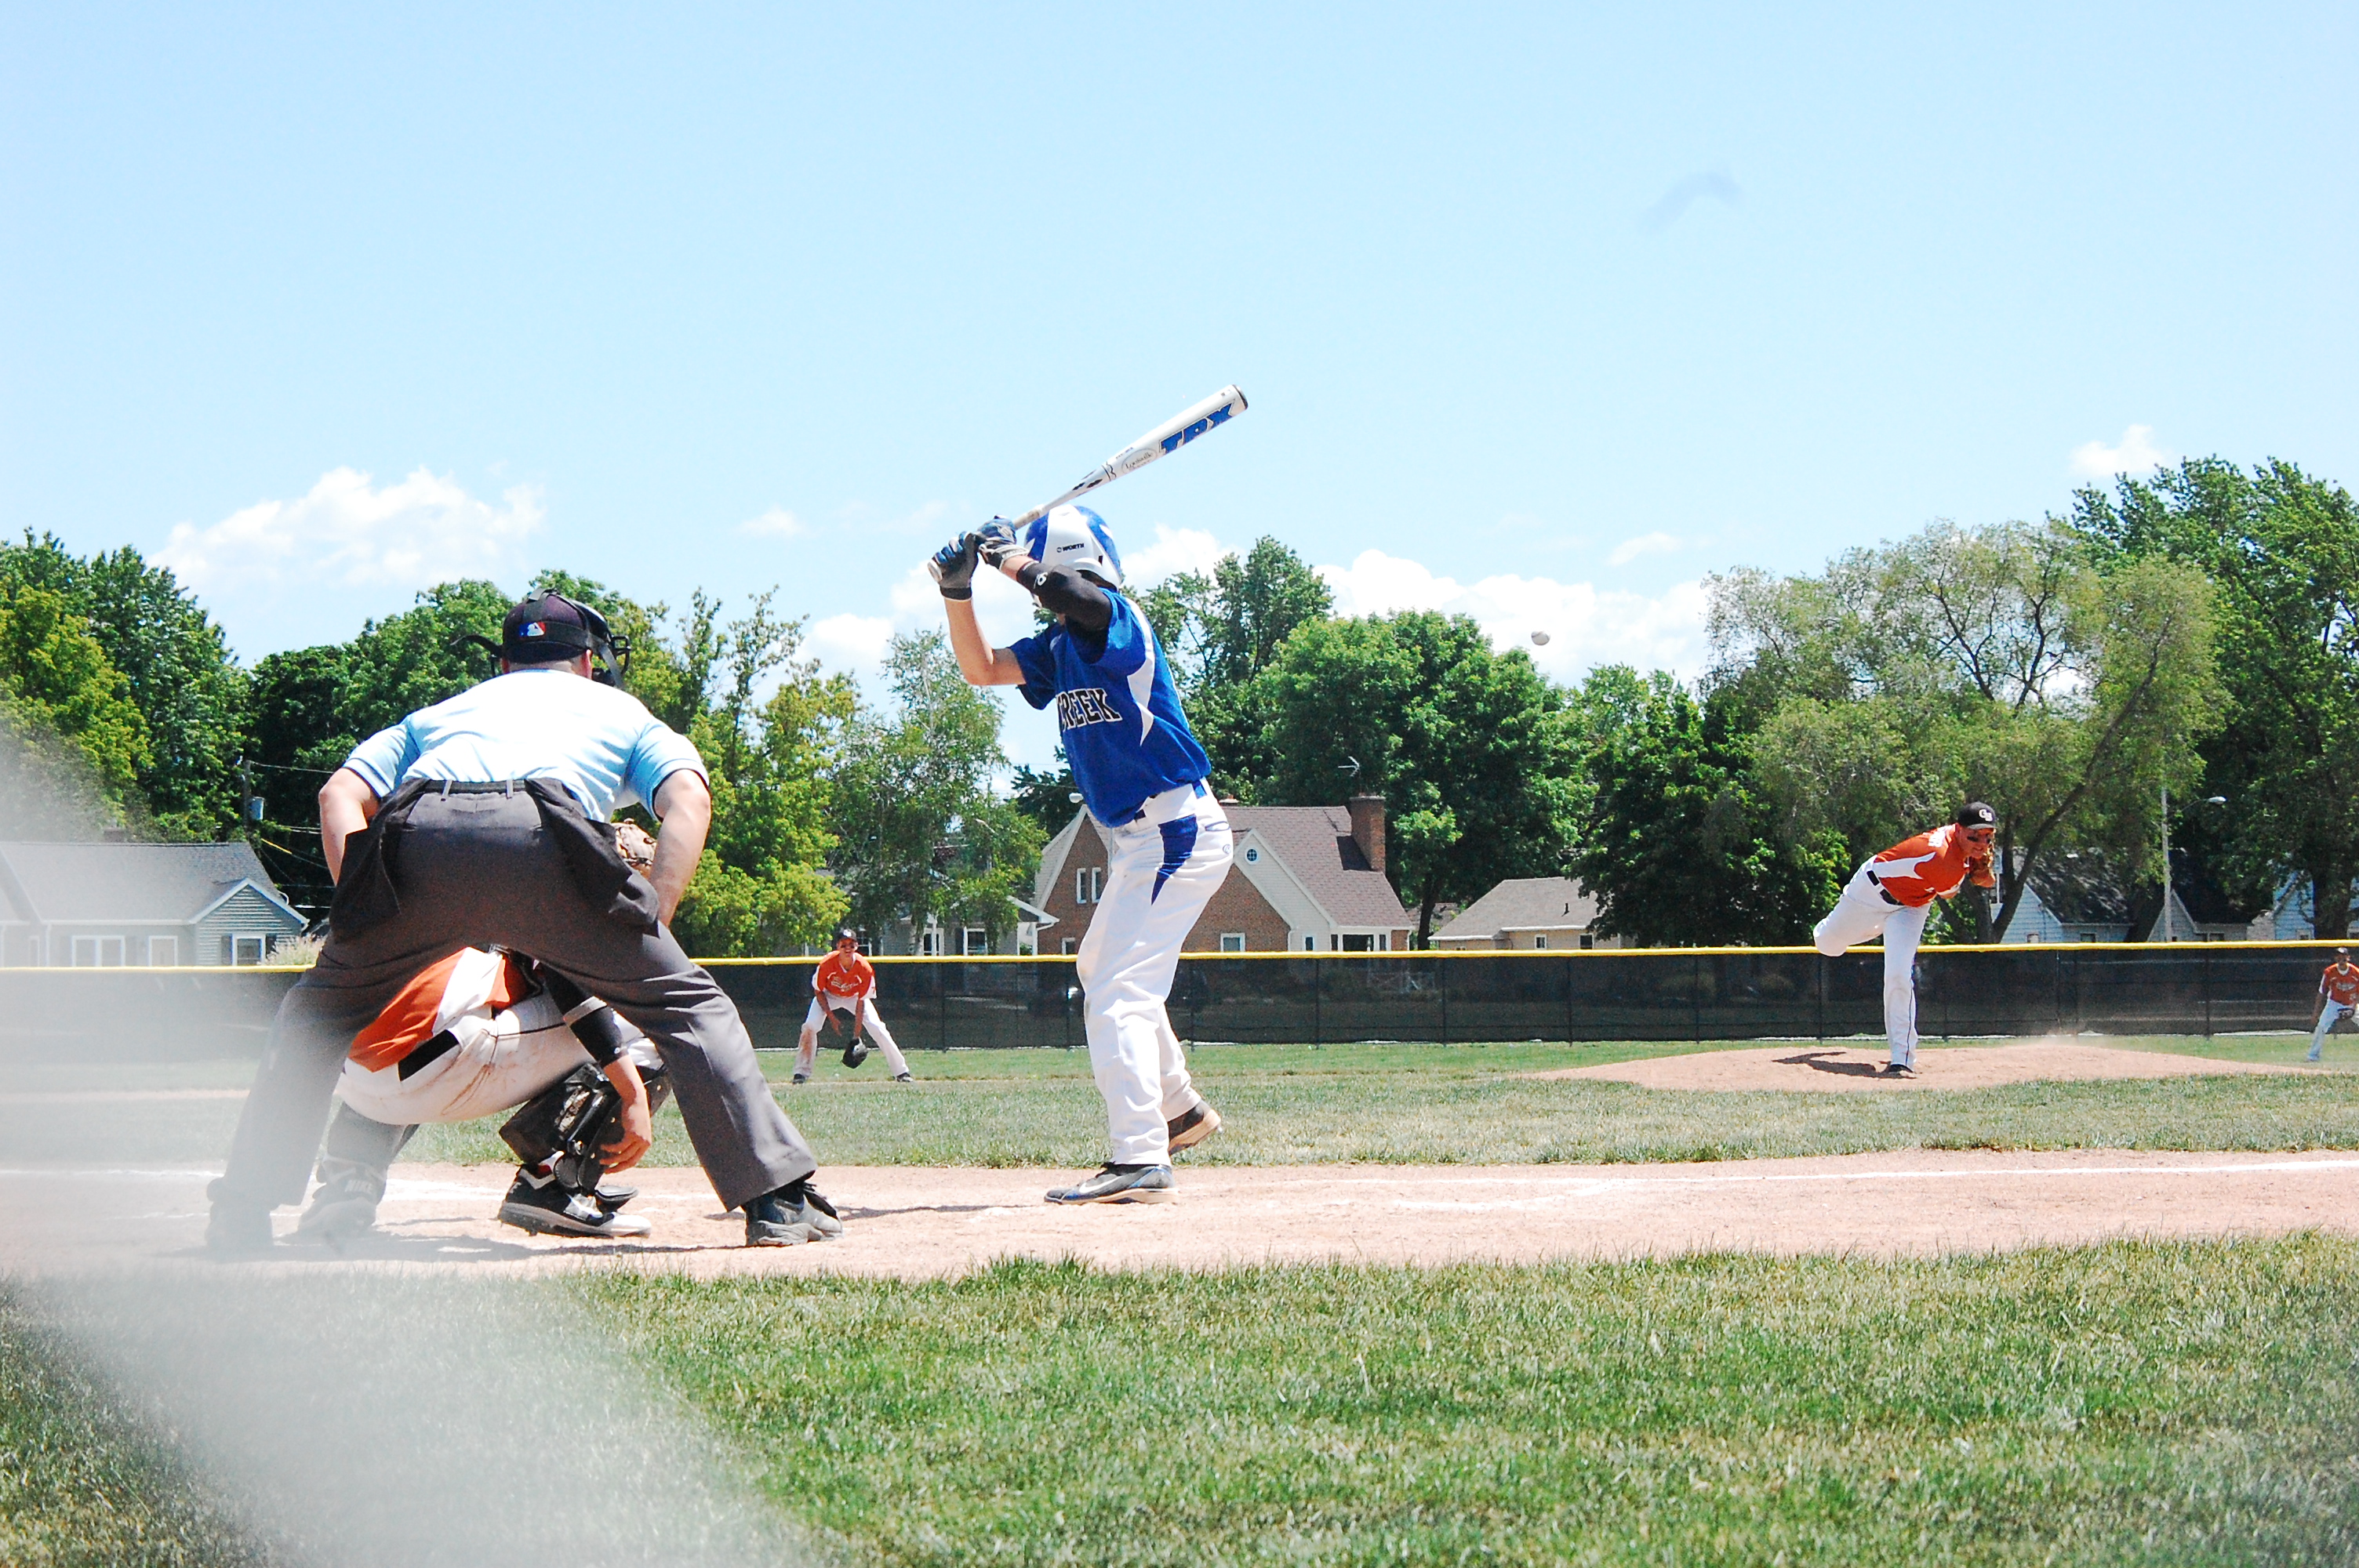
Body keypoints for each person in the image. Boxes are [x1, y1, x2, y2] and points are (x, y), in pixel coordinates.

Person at [205, 592, 841, 1251]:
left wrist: (364, 905)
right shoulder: (621, 711)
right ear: (588, 662)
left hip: (419, 830)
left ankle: (241, 1211)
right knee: (687, 1008)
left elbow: (337, 793)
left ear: (506, 663)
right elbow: (689, 799)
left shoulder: (442, 713)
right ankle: (776, 1201)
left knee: (315, 1015)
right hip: (544, 834)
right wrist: (651, 917)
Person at [931, 506, 1227, 1203]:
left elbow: (1074, 594)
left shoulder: (1114, 618)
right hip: (1143, 840)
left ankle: (1141, 1156)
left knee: (1119, 991)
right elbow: (982, 668)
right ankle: (1178, 1109)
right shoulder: (1060, 646)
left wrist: (1007, 557)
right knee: (1102, 970)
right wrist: (957, 591)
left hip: (1174, 830)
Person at [294, 943, 671, 1245]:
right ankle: (554, 1180)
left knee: (410, 1022)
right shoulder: (542, 885)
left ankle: (350, 1180)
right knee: (654, 1015)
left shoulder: (413, 881)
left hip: (352, 1076)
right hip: (446, 1063)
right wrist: (632, 1093)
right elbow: (568, 983)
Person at [1812, 802, 1999, 1077]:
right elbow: (1951, 892)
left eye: (1988, 836)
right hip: (1871, 893)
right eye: (1974, 836)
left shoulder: (1956, 846)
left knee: (1899, 975)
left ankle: (1902, 1058)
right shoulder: (1943, 859)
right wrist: (1975, 871)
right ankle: (1867, 928)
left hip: (1912, 906)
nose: (1982, 843)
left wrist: (1971, 861)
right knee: (1827, 945)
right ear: (1958, 829)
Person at [793, 927, 913, 1084]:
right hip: (829, 995)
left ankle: (902, 1072)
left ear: (857, 946)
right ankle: (801, 1073)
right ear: (837, 946)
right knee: (810, 1026)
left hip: (854, 997)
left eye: (851, 944)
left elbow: (861, 1002)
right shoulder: (827, 964)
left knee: (877, 1027)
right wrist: (831, 1017)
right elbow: (819, 992)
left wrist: (856, 1036)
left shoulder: (864, 968)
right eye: (843, 945)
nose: (847, 948)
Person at [2308, 947, 2359, 1062]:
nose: (2341, 959)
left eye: (2344, 957)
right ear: (2335, 958)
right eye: (2339, 957)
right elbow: (2321, 992)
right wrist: (2316, 1013)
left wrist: (2352, 1008)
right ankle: (2313, 1056)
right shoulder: (2329, 972)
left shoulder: (2356, 972)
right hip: (2334, 1004)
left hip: (2351, 1003)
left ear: (2348, 958)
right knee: (2321, 1027)